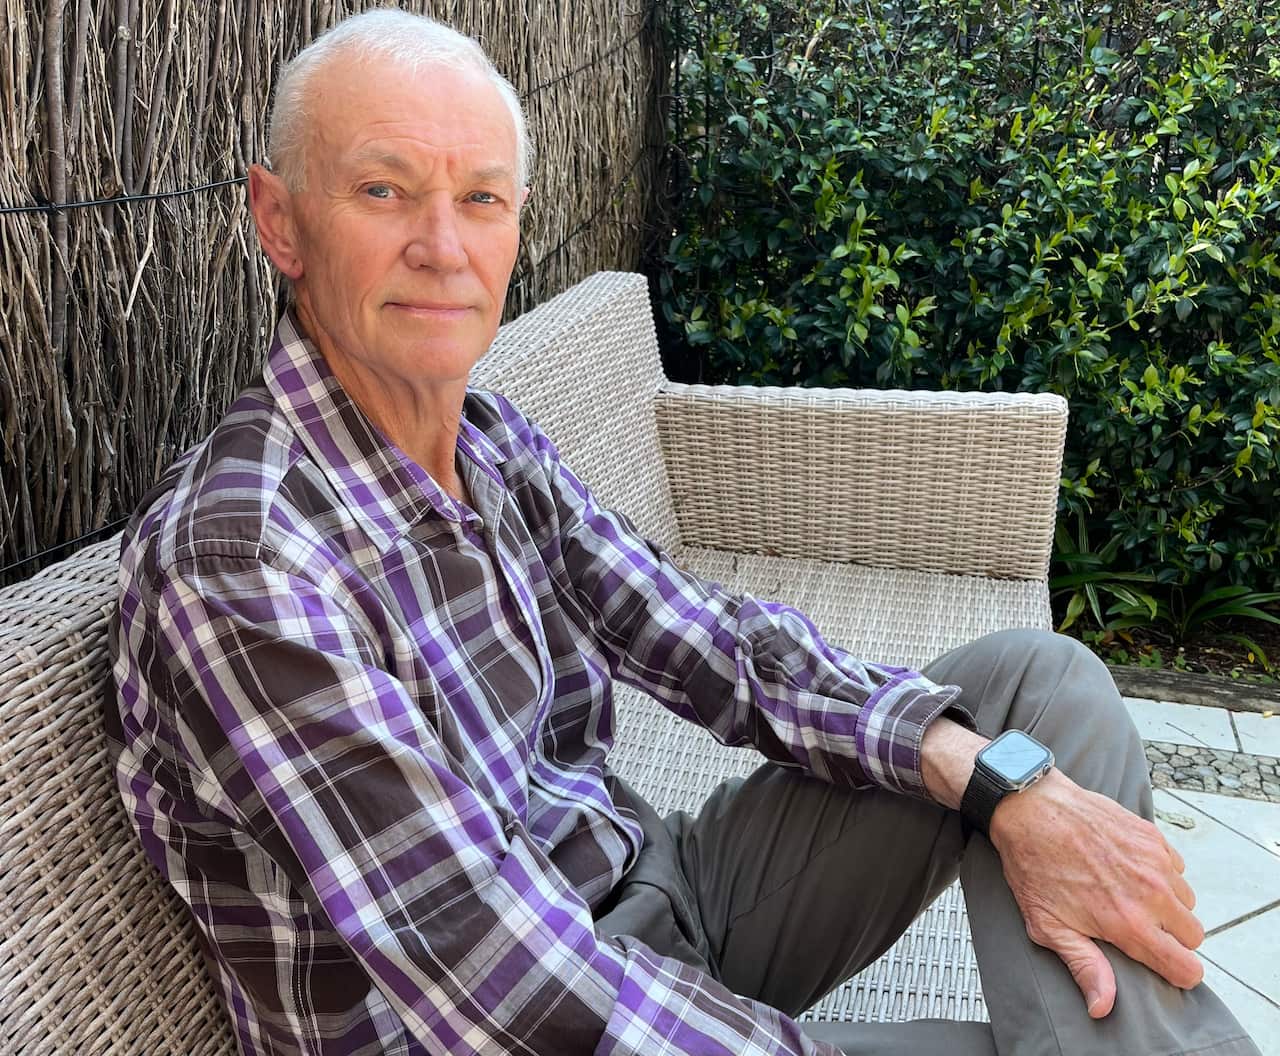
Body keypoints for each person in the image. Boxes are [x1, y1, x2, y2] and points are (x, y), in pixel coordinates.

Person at [107, 9, 1259, 1056]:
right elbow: (505, 988)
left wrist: (998, 785)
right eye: (382, 190)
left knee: (1036, 697)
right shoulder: (245, 563)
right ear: (281, 221)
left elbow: (711, 645)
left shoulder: (487, 443)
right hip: (520, 1021)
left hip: (656, 897)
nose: (443, 247)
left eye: (481, 199)